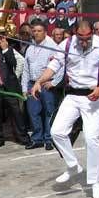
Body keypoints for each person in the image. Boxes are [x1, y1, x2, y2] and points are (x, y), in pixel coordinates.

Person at [32, 21, 99, 198]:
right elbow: (54, 67)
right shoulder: (66, 45)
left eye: (87, 38)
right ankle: (73, 166)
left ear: (92, 35)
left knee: (91, 138)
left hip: (95, 97)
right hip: (73, 95)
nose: (83, 42)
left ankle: (94, 181)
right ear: (75, 34)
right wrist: (39, 81)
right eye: (80, 38)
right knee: (56, 131)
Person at [21, 21, 58, 150]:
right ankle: (37, 138)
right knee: (33, 112)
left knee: (49, 112)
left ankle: (49, 138)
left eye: (39, 31)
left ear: (45, 32)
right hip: (32, 83)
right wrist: (24, 88)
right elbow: (26, 69)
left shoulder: (51, 46)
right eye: (34, 31)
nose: (36, 33)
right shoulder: (30, 48)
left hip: (46, 84)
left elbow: (59, 66)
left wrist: (54, 82)